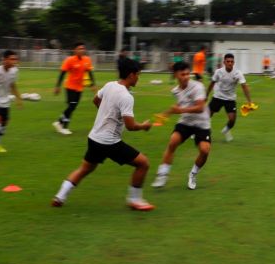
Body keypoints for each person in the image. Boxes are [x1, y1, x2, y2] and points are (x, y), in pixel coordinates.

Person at [51, 58, 155, 210]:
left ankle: (60, 196)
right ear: (131, 75)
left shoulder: (109, 85)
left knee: (85, 169)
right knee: (143, 164)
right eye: (138, 74)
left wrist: (108, 114)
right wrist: (144, 126)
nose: (138, 77)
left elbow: (95, 100)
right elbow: (131, 126)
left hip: (94, 138)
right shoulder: (127, 97)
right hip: (110, 142)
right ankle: (135, 200)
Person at [152, 61, 211, 190]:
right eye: (182, 74)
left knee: (205, 151)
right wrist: (164, 115)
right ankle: (162, 175)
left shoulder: (198, 87)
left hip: (202, 123)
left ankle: (193, 174)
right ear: (176, 75)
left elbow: (200, 107)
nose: (185, 77)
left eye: (187, 74)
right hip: (186, 122)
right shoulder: (175, 91)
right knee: (173, 141)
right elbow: (180, 105)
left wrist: (181, 110)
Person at [206, 53, 253, 142]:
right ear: (224, 62)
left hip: (230, 99)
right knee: (207, 115)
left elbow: (244, 86)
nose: (230, 63)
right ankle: (198, 131)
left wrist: (249, 101)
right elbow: (212, 83)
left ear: (234, 62)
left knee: (232, 119)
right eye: (228, 61)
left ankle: (226, 130)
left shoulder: (237, 73)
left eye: (231, 61)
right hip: (218, 97)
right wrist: (206, 95)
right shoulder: (218, 72)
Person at [52, 42, 96, 135]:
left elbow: (89, 72)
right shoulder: (70, 60)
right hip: (70, 87)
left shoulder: (87, 60)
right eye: (80, 48)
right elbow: (62, 73)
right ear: (75, 50)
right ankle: (64, 127)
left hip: (80, 88)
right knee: (71, 106)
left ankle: (59, 122)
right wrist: (57, 86)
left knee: (73, 107)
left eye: (83, 48)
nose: (82, 50)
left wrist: (93, 84)